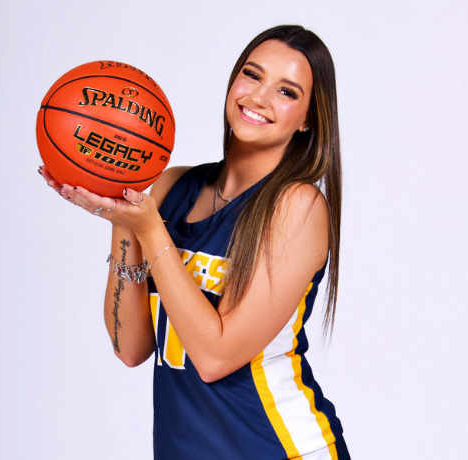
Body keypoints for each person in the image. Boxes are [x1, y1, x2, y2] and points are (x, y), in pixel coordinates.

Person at [40, 24, 349, 460]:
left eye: (287, 92)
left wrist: (149, 227)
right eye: (252, 74)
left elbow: (215, 358)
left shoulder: (296, 207)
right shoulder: (171, 186)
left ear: (309, 120)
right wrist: (120, 211)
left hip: (278, 448)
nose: (258, 97)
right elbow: (129, 348)